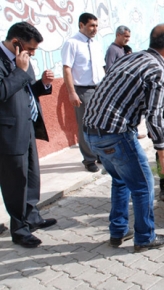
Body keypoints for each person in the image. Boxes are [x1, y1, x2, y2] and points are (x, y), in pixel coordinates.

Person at [83, 23, 164, 251]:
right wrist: (163, 153)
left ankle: (118, 232)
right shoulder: (159, 68)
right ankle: (145, 238)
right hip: (115, 134)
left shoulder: (130, 57)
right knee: (143, 185)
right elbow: (155, 116)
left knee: (120, 180)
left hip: (90, 130)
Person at [0, 22, 57, 248]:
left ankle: (32, 216)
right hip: (8, 132)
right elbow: (3, 91)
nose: (32, 54)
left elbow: (27, 88)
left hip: (28, 125)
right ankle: (19, 229)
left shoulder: (23, 60)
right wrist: (19, 71)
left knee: (32, 176)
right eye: (30, 49)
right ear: (16, 43)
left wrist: (43, 84)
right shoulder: (11, 62)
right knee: (15, 182)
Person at [61, 13, 105, 173]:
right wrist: (72, 92)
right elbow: (67, 69)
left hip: (99, 88)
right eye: (91, 25)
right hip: (82, 89)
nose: (95, 29)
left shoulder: (96, 44)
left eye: (96, 25)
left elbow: (101, 68)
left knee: (100, 123)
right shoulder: (72, 43)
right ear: (81, 25)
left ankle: (100, 154)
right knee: (86, 125)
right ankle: (89, 159)